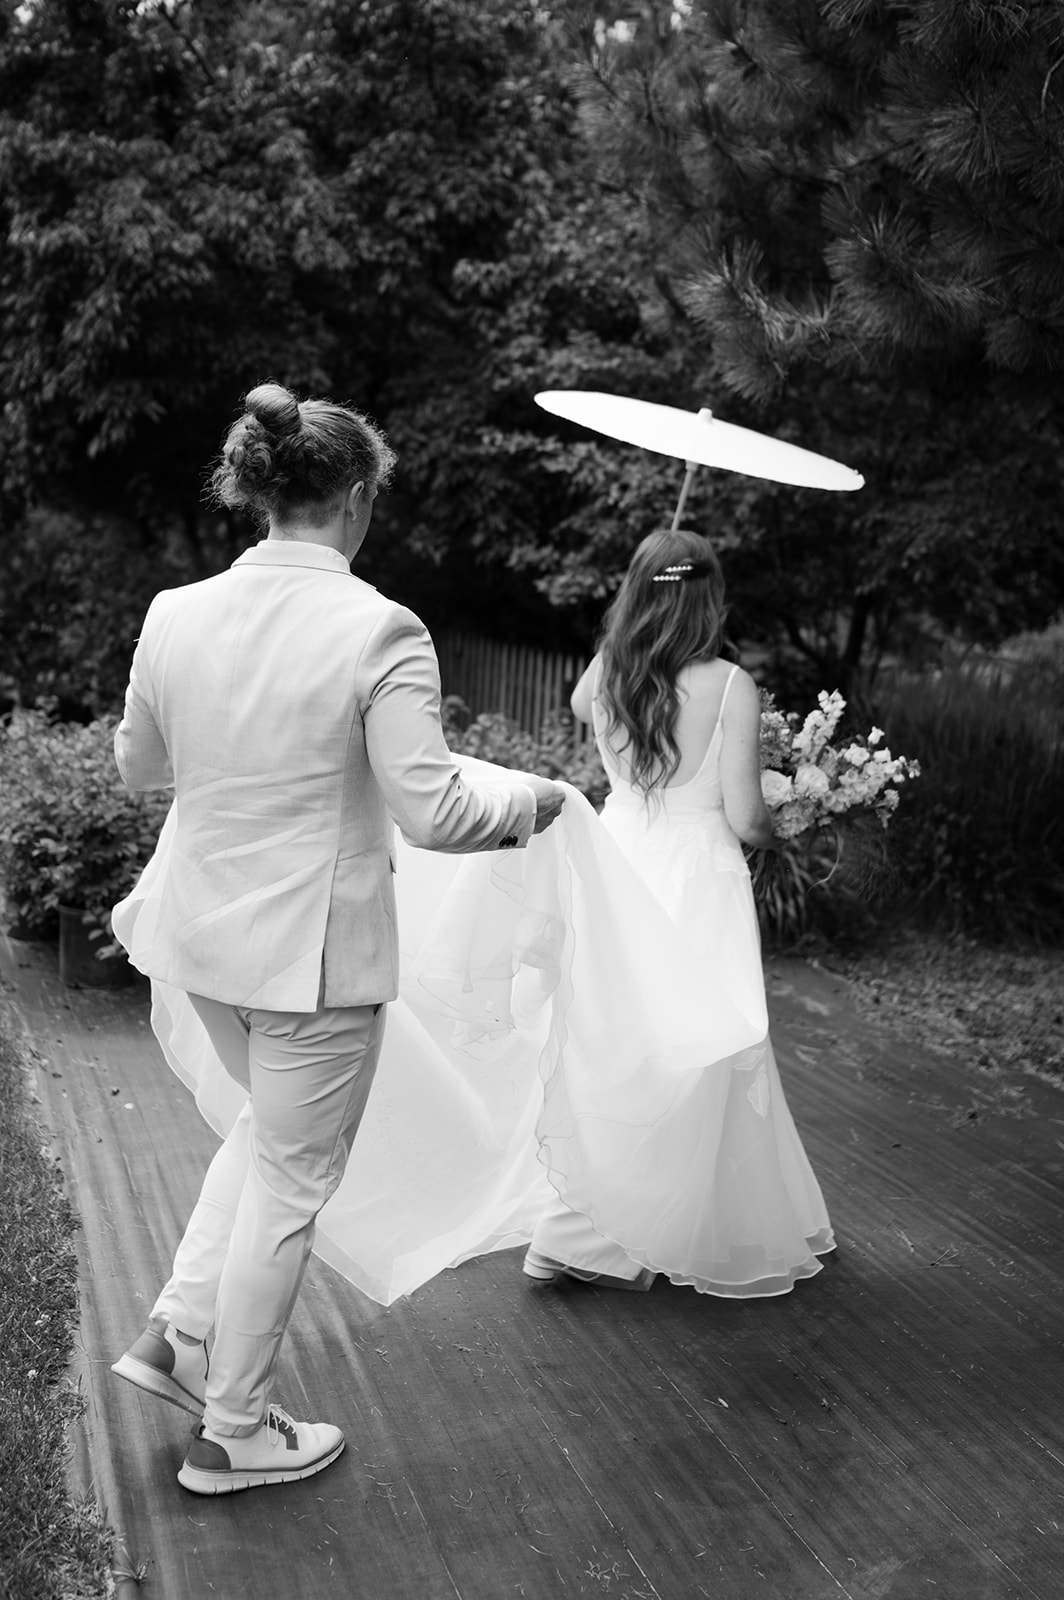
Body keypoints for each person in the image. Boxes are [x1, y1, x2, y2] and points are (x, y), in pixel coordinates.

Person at [109, 382, 565, 1496]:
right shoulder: (380, 626)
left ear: (259, 492)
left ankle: (177, 1336)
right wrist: (531, 803)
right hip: (311, 965)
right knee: (291, 1184)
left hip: (199, 938)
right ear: (356, 497)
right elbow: (432, 809)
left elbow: (137, 770)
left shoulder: (174, 611)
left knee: (266, 1140)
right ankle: (235, 1432)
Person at [521, 527, 834, 1292]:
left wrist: (633, 620)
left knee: (618, 1039)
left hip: (617, 860)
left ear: (636, 589)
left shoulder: (608, 672)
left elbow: (578, 700)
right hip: (695, 876)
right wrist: (791, 822)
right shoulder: (730, 685)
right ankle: (612, 1235)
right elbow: (744, 815)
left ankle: (600, 1220)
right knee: (701, 1046)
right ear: (710, 598)